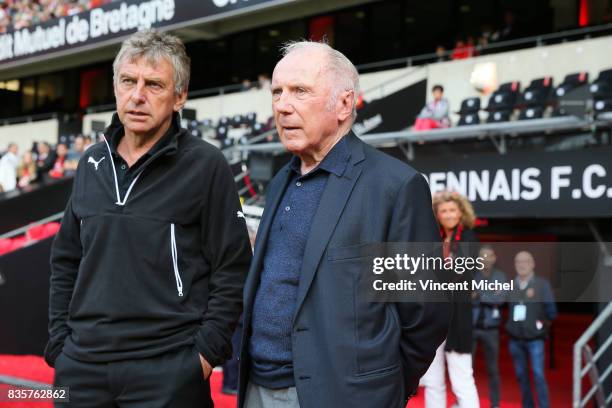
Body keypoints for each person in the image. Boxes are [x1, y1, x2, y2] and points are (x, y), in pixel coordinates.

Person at [46, 29, 252, 407]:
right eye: (128, 81)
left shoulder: (206, 165)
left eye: (154, 84)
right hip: (81, 368)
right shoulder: (91, 162)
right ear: (115, 87)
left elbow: (233, 268)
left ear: (180, 97)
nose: (137, 95)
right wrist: (60, 347)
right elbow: (66, 261)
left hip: (168, 370)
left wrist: (203, 358)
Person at [239, 41, 450, 408]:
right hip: (256, 387)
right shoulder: (278, 184)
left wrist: (386, 388)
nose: (282, 105)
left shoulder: (396, 186)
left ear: (345, 103)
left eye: (300, 91)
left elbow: (425, 312)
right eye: (277, 92)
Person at [421, 190, 480, 408]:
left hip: (458, 319)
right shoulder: (434, 239)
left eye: (452, 210)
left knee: (462, 378)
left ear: (461, 212)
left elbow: (462, 274)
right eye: (443, 210)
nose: (448, 214)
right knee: (432, 380)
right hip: (434, 317)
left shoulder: (468, 238)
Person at [506, 251, 557, 408]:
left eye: (525, 261)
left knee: (538, 375)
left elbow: (552, 312)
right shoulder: (511, 285)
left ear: (532, 264)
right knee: (521, 376)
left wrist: (540, 324)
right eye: (518, 262)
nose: (522, 265)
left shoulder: (542, 285)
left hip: (535, 339)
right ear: (515, 265)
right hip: (515, 339)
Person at [472, 245, 507, 408]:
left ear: (494, 258)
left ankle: (495, 404)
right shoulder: (473, 275)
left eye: (488, 256)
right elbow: (466, 298)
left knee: (493, 369)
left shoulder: (500, 277)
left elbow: (499, 300)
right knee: (466, 369)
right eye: (482, 256)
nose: (485, 259)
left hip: (490, 329)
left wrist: (478, 294)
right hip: (471, 328)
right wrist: (487, 294)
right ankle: (466, 401)